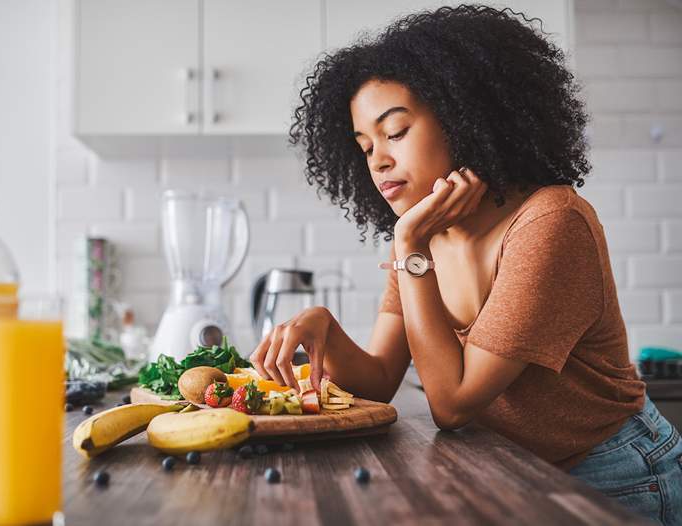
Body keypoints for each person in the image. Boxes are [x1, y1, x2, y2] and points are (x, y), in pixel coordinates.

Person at [249, 5, 682, 524]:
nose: (378, 161)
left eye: (396, 131)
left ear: (464, 117)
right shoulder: (421, 233)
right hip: (514, 467)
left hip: (613, 473)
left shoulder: (551, 222)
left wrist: (409, 245)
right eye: (364, 146)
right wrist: (325, 327)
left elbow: (452, 406)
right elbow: (379, 382)